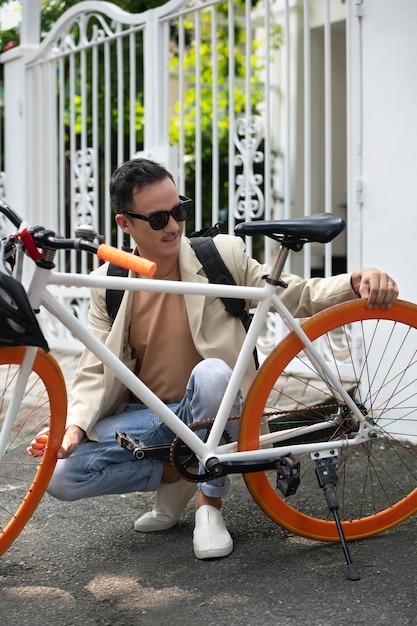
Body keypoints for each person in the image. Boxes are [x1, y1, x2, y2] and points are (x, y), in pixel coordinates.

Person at [29, 157, 399, 560]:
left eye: (179, 211)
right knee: (62, 476)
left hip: (221, 408)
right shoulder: (110, 284)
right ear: (125, 224)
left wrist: (355, 281)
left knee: (211, 373)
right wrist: (74, 429)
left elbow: (297, 294)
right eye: (157, 219)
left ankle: (209, 504)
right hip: (158, 418)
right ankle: (178, 475)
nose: (172, 226)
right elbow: (94, 371)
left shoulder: (219, 255)